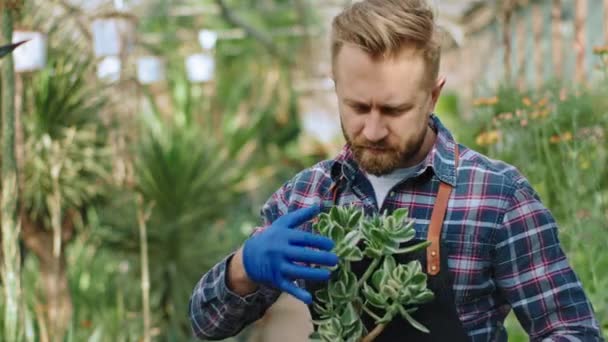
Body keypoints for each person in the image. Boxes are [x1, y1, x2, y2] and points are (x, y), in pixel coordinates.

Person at [188, 0, 603, 340]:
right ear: (336, 86)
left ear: (433, 95)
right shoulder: (307, 197)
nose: (372, 129)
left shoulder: (497, 197)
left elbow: (570, 329)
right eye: (356, 106)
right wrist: (242, 268)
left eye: (394, 109)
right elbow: (206, 324)